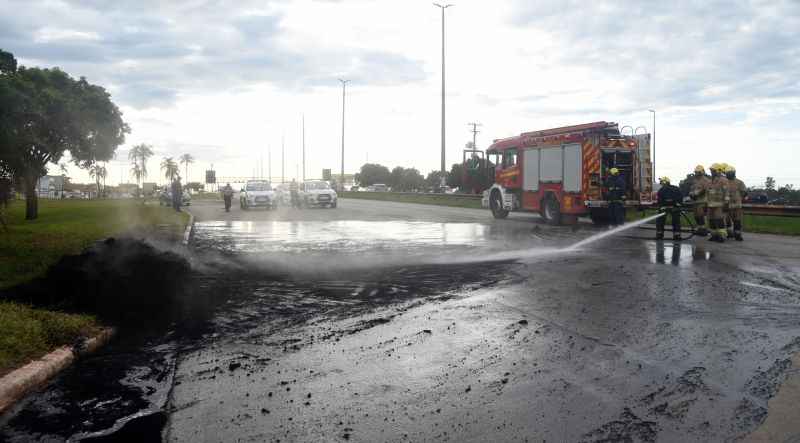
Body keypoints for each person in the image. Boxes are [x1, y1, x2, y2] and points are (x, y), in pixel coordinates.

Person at [702, 163, 729, 242]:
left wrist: (726, 203)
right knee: (711, 220)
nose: (711, 172)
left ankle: (722, 236)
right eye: (711, 170)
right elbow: (707, 193)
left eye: (713, 170)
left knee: (720, 220)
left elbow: (726, 192)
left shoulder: (723, 180)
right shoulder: (710, 181)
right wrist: (705, 204)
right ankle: (714, 235)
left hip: (720, 204)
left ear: (718, 171)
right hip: (710, 204)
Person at [655, 176, 683, 241]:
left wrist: (662, 206)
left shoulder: (661, 190)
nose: (661, 184)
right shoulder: (676, 188)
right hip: (674, 207)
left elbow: (659, 200)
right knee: (676, 221)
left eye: (661, 183)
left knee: (660, 220)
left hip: (665, 207)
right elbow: (680, 197)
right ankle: (677, 235)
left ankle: (660, 235)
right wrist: (678, 204)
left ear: (664, 182)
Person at [724, 165, 747, 241]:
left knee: (737, 220)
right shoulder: (724, 182)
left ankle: (737, 234)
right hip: (727, 205)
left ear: (733, 173)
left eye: (730, 173)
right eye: (727, 173)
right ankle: (729, 233)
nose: (728, 174)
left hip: (736, 205)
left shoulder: (739, 182)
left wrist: (739, 198)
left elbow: (744, 192)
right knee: (727, 220)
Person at [688, 165, 711, 236]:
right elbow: (692, 189)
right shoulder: (694, 180)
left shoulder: (706, 180)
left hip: (703, 201)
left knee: (701, 215)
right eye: (696, 172)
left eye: (698, 172)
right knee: (696, 216)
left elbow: (707, 190)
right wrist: (691, 194)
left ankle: (704, 230)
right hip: (695, 201)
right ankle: (699, 228)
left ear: (702, 172)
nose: (696, 173)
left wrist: (698, 193)